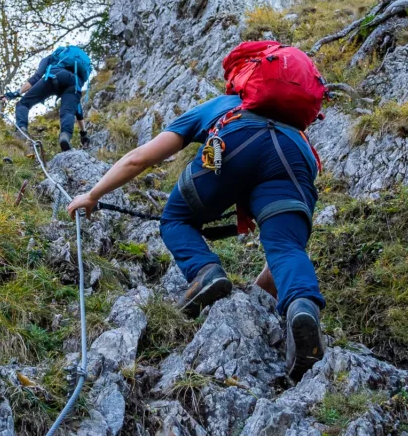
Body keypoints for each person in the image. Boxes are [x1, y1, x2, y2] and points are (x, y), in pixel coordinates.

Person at [66, 83, 326, 380]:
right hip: (296, 157)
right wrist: (257, 300)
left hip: (235, 138)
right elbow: (279, 260)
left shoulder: (222, 105)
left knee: (175, 219)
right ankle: (303, 307)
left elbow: (139, 158)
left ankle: (205, 272)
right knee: (286, 248)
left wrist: (93, 194)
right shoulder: (298, 131)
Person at [16, 44, 92, 153]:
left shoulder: (50, 58)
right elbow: (77, 109)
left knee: (23, 104)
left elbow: (36, 77)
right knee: (68, 112)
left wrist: (18, 92)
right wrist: (83, 133)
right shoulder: (78, 76)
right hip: (74, 85)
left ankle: (21, 131)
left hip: (54, 76)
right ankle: (65, 137)